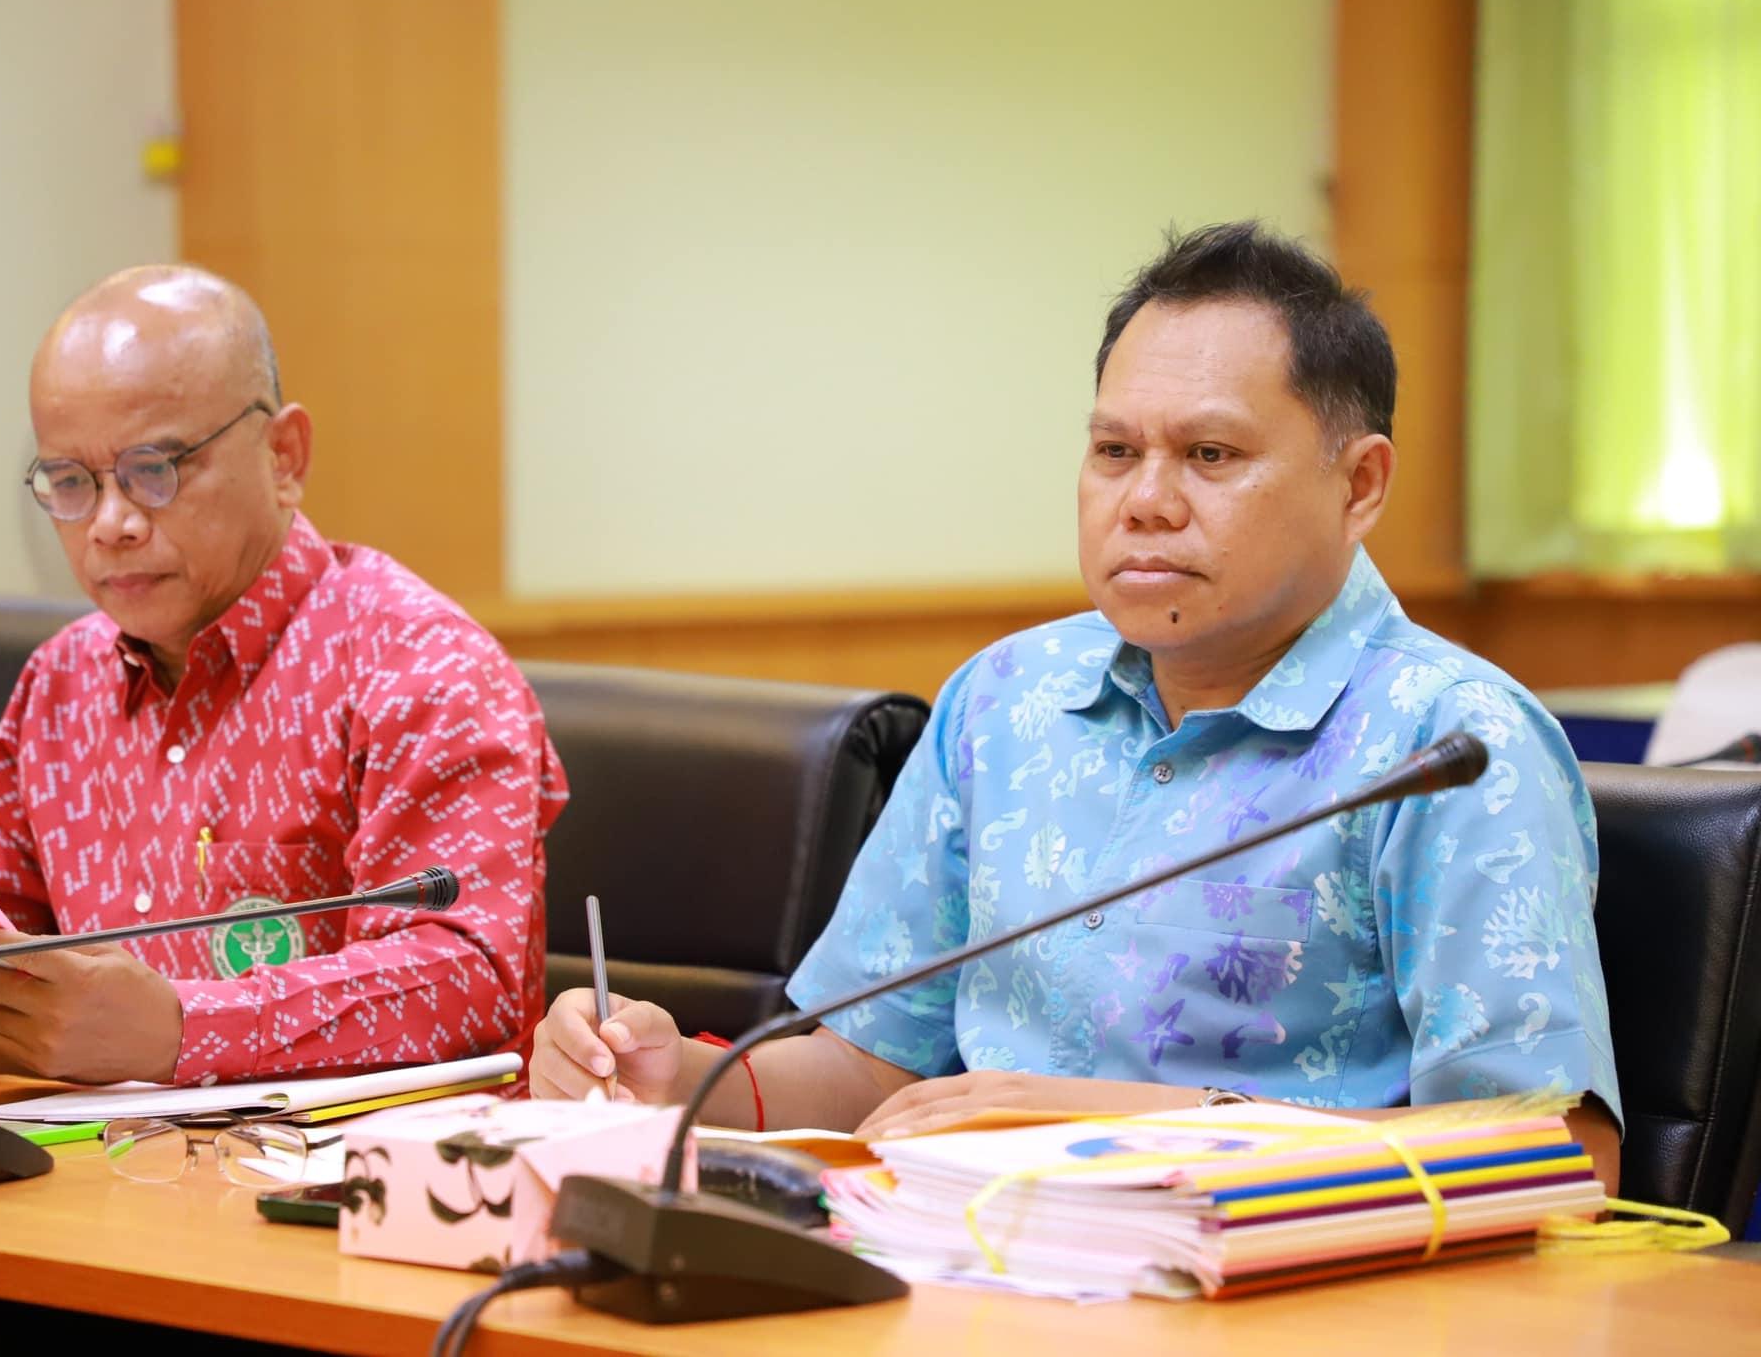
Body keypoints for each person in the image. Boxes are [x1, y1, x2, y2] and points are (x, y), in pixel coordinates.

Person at [531, 221, 1622, 1190]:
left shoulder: (1451, 746)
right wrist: (682, 1081)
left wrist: (1123, 1126)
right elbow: (872, 1065)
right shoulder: (1005, 699)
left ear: (1360, 484)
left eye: (1209, 455)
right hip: (978, 1267)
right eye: (1114, 451)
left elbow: (1555, 1152)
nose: (1144, 501)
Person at [0, 266, 567, 1086]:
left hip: (354, 1161)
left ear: (284, 456)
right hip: (91, 1155)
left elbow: (466, 978)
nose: (111, 523)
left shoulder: (423, 669)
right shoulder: (62, 681)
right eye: (71, 483)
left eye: (154, 469)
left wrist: (183, 1030)